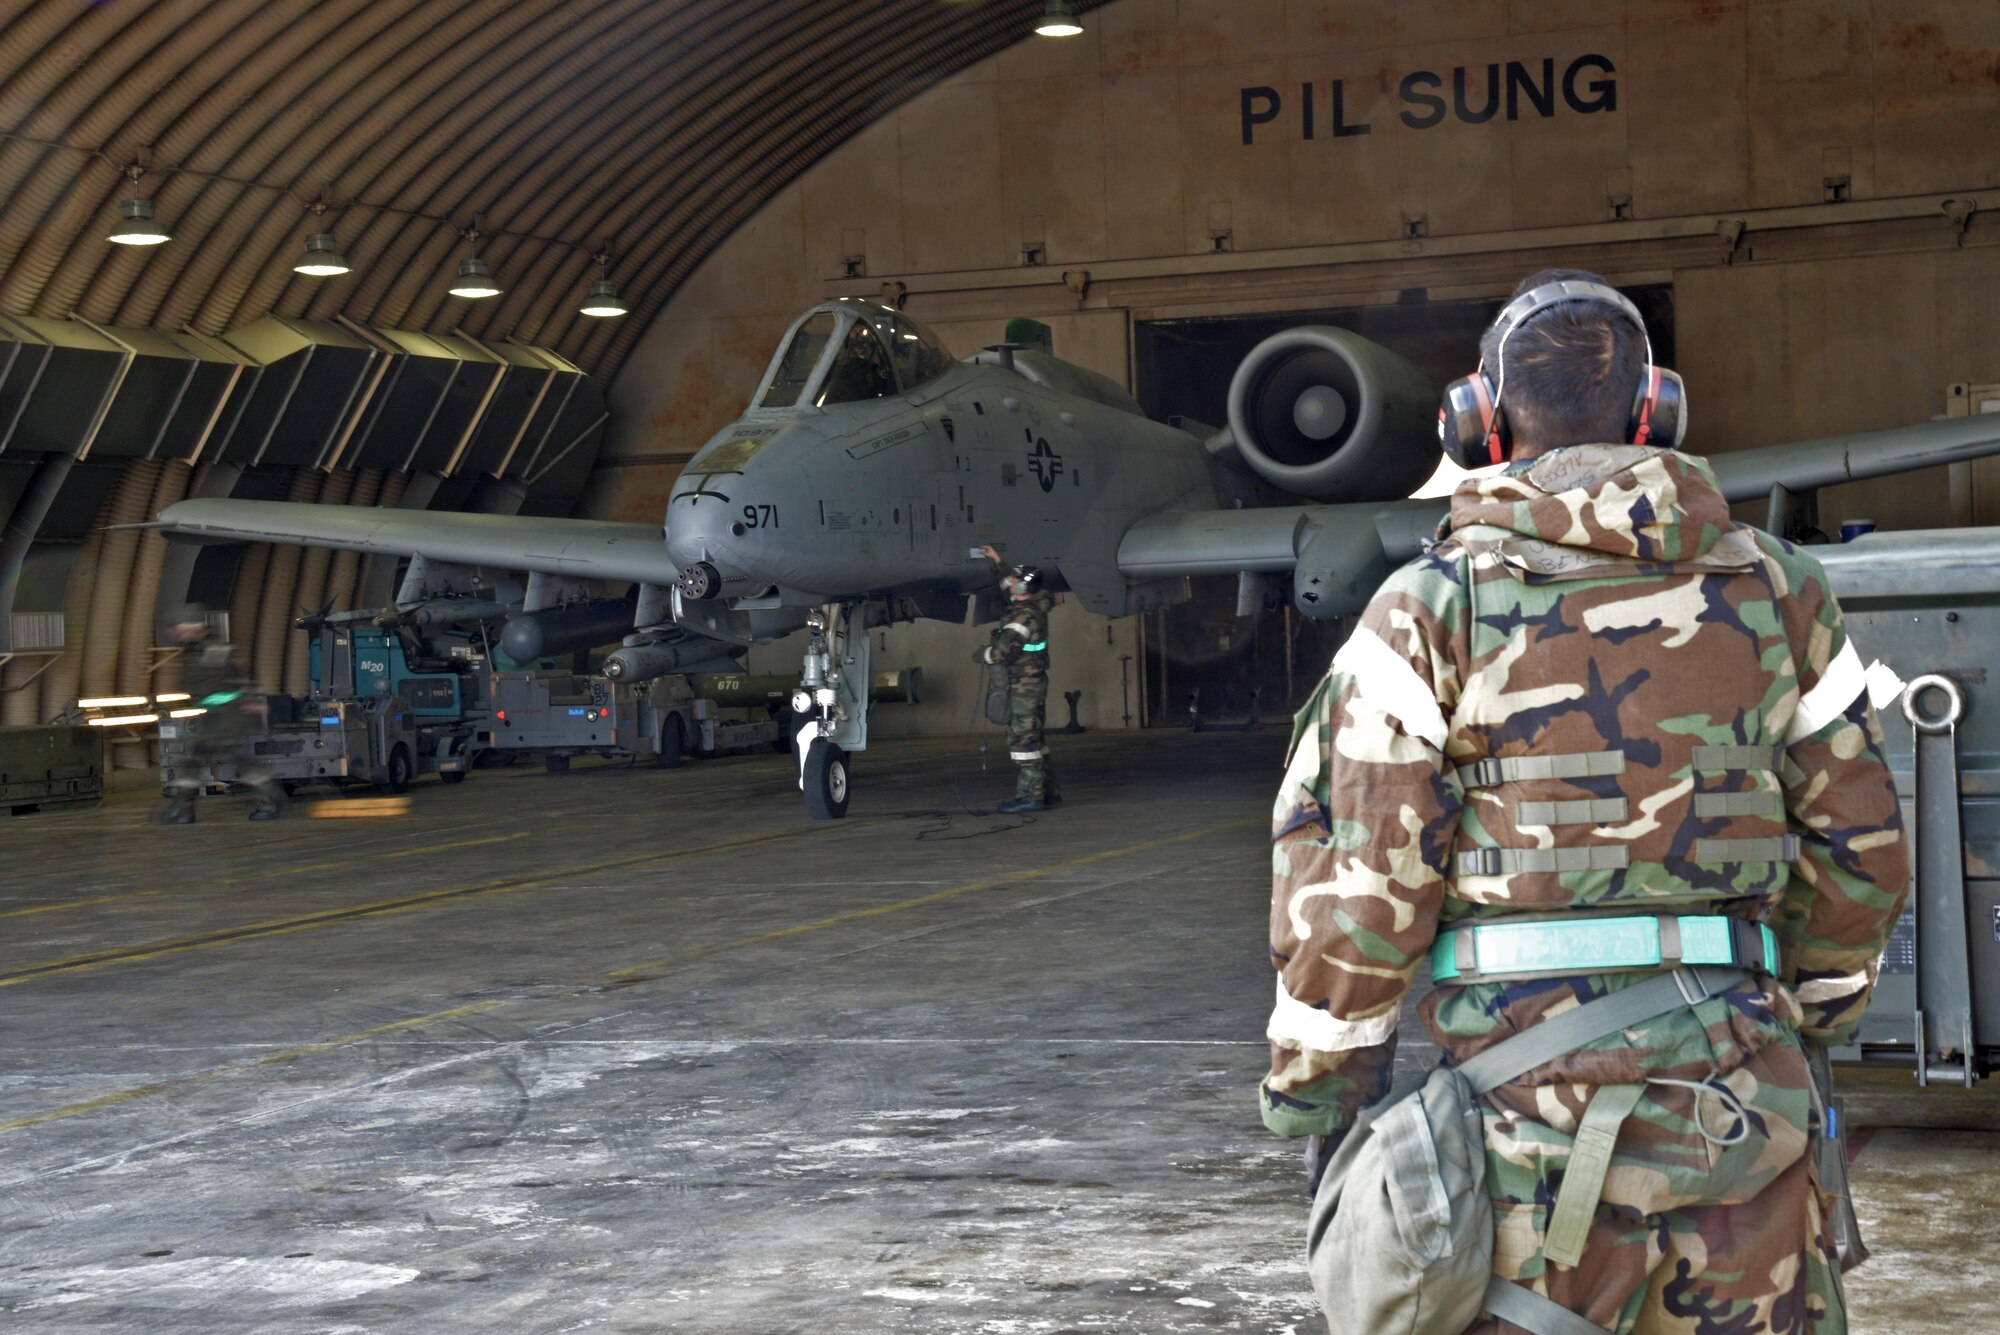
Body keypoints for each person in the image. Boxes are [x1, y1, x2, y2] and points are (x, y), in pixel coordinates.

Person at [1264, 270, 1908, 1332]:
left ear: (1476, 424)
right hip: (1740, 1123)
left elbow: (1359, 884)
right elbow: (1858, 849)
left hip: (1521, 1157)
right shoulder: (1781, 592)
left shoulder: (1426, 611)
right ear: (1655, 411)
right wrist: (1805, 1008)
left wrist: (1320, 1091)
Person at [156, 604, 285, 823]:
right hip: (214, 715)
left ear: (194, 628)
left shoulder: (214, 650)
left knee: (238, 761)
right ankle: (183, 810)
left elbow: (235, 681)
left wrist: (249, 702)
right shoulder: (192, 652)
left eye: (181, 628)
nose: (177, 633)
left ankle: (271, 801)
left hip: (227, 716)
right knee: (197, 760)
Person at [976, 545, 1061, 814]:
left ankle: (1029, 796)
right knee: (1034, 739)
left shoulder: (1024, 617)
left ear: (1024, 588)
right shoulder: (1036, 602)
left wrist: (982, 654)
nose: (1009, 582)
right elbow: (1007, 585)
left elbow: (1002, 653)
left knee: (1023, 742)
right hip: (1031, 683)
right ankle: (1048, 792)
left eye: (1015, 580)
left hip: (1024, 687)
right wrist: (998, 561)